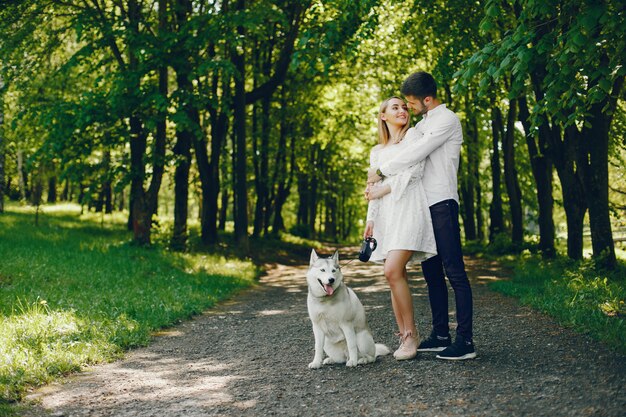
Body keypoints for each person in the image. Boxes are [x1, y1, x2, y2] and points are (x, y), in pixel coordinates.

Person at [367, 72, 477, 361]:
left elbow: (415, 155)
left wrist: (380, 171)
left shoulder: (445, 120)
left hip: (441, 201)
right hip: (422, 205)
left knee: (454, 270)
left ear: (427, 100)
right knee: (432, 274)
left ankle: (465, 341)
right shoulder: (424, 122)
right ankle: (441, 334)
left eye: (411, 103)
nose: (408, 108)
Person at [363, 96, 437, 361]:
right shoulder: (377, 151)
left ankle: (411, 335)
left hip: (410, 208)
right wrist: (370, 220)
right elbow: (371, 190)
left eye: (404, 106)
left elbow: (415, 171)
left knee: (392, 269)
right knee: (395, 276)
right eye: (395, 107)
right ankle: (403, 332)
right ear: (383, 115)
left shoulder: (414, 137)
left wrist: (384, 187)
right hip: (387, 216)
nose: (402, 110)